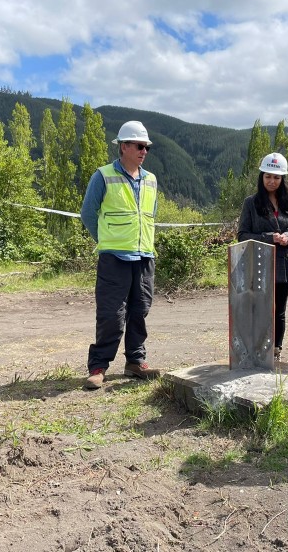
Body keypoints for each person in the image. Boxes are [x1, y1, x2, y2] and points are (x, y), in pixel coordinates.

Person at [80, 120, 161, 389]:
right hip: (114, 257)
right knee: (111, 314)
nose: (144, 151)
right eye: (139, 145)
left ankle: (135, 363)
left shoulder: (151, 180)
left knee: (140, 311)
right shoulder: (102, 176)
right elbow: (88, 214)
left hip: (144, 256)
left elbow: (150, 216)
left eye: (146, 147)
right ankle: (98, 367)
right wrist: (106, 240)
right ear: (123, 146)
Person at [237, 151, 288, 361]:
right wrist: (269, 238)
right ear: (261, 177)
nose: (272, 181)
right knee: (260, 309)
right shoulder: (251, 203)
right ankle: (257, 349)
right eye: (268, 176)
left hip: (284, 265)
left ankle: (276, 350)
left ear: (283, 179)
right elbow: (242, 235)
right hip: (260, 263)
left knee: (279, 311)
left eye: (276, 177)